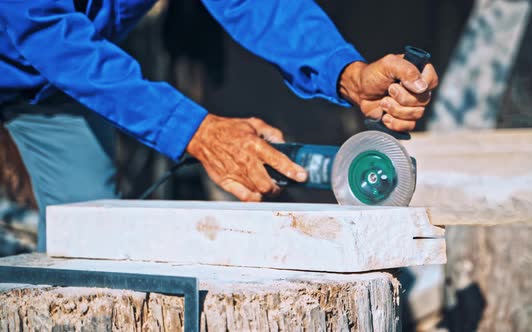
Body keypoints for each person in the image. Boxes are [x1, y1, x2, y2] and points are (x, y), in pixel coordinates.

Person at [0, 0, 438, 252]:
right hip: (50, 52)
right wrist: (196, 131)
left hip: (53, 89)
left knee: (84, 249)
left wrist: (344, 72)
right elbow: (44, 28)